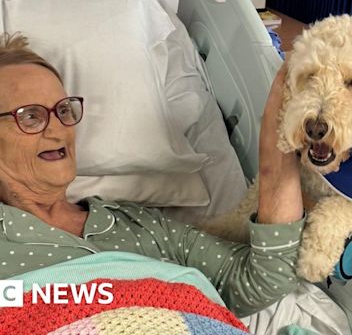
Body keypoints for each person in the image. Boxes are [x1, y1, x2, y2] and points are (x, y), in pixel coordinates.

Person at [0, 32, 304, 318]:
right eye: (30, 116)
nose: (58, 129)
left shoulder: (138, 225)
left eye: (63, 110)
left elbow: (260, 279)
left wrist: (282, 124)